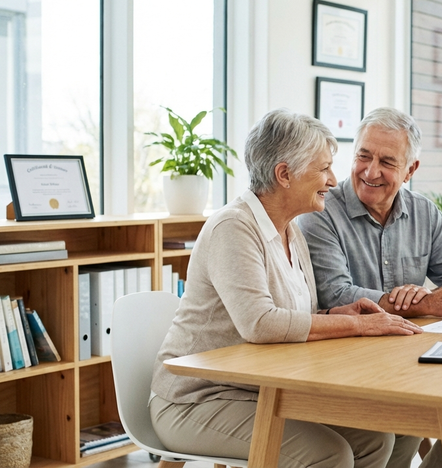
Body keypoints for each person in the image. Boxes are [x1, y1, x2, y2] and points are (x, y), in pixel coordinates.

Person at [150, 109, 423, 468]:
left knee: (375, 437)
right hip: (197, 398)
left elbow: (296, 317)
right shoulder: (233, 228)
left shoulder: (291, 230)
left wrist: (336, 314)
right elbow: (260, 324)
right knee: (330, 454)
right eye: (323, 168)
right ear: (284, 175)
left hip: (260, 392)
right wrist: (358, 325)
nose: (333, 179)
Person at [297, 107, 442, 467]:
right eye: (363, 156)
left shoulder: (424, 213)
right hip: (345, 367)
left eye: (387, 162)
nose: (371, 171)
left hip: (407, 361)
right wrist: (419, 304)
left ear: (411, 170)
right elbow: (334, 294)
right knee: (400, 424)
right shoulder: (320, 210)